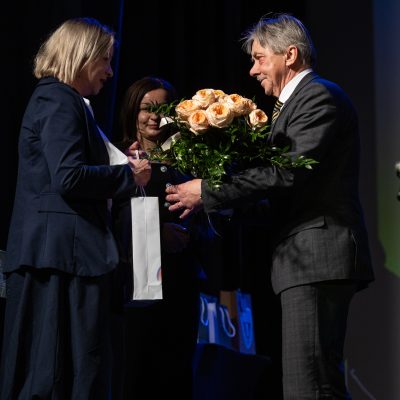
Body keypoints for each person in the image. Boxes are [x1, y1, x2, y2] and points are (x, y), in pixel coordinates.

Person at [165, 13, 375, 399]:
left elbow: (287, 175)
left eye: (259, 58)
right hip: (306, 259)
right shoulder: (293, 106)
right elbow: (281, 197)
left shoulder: (317, 97)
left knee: (308, 386)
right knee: (314, 383)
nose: (252, 70)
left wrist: (208, 190)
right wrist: (219, 205)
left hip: (317, 255)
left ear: (289, 55)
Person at [0, 17, 151, 399]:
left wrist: (119, 160)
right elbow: (68, 176)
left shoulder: (66, 101)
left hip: (64, 257)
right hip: (58, 259)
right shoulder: (58, 99)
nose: (110, 71)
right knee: (53, 376)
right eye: (105, 59)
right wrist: (130, 176)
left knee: (69, 373)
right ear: (82, 56)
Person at [111, 76, 202, 399]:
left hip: (181, 282)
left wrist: (191, 234)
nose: (154, 117)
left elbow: (207, 217)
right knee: (136, 373)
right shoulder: (117, 159)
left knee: (176, 374)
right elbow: (110, 218)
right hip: (135, 283)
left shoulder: (190, 160)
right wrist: (157, 233)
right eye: (146, 108)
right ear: (132, 111)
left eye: (163, 109)